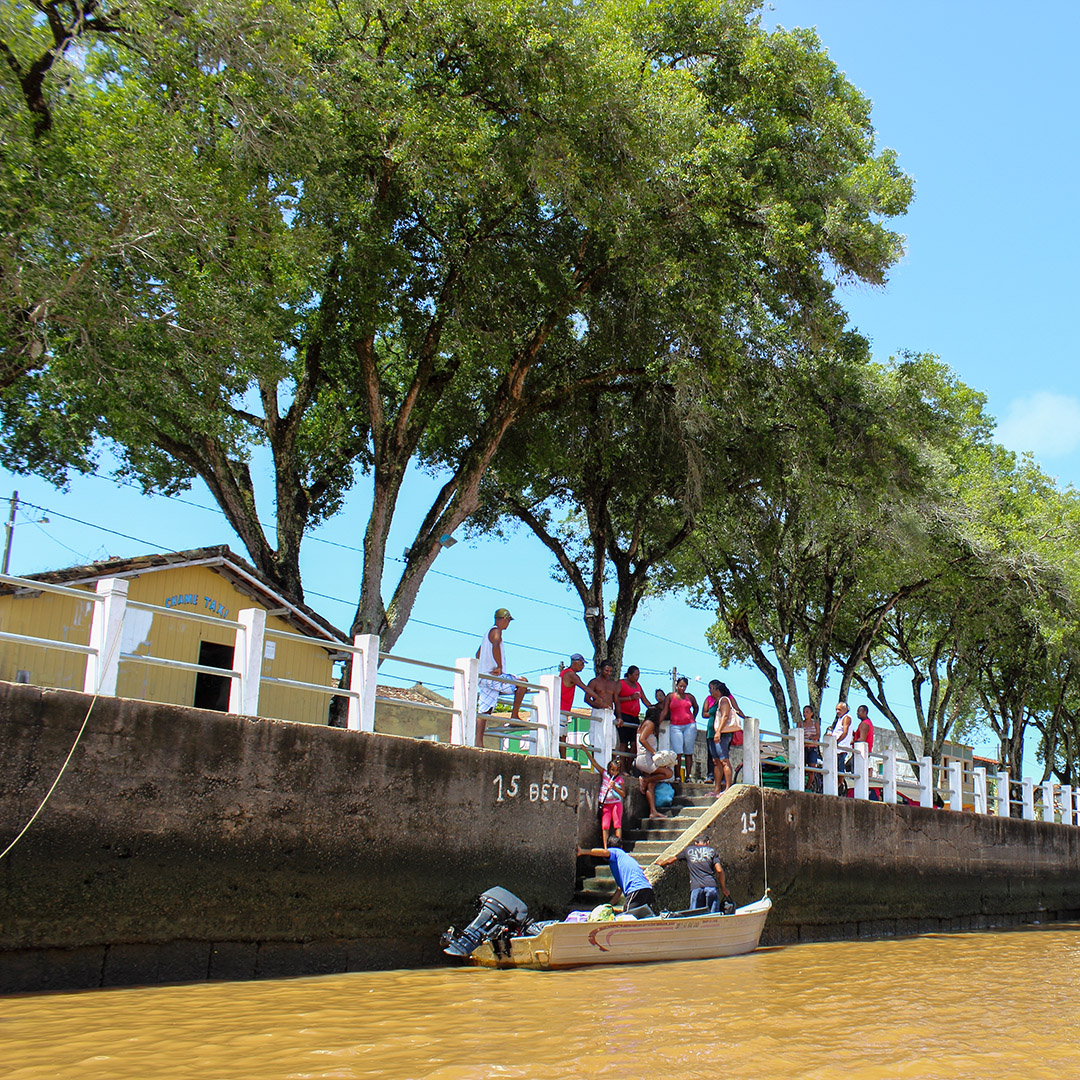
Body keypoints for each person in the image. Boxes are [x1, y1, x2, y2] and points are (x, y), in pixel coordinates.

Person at [475, 607, 527, 748]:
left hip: (483, 677)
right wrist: (498, 666)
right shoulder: (496, 631)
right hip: (494, 677)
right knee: (522, 683)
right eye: (508, 620)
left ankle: (478, 743)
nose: (508, 624)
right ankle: (514, 716)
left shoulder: (486, 634)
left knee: (485, 710)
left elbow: (477, 654)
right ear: (504, 619)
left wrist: (484, 666)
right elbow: (496, 644)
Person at [656, 835, 731, 912]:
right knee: (713, 916)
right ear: (707, 843)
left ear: (695, 843)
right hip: (710, 886)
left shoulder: (688, 851)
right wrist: (723, 888)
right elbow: (719, 870)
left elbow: (671, 860)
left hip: (696, 887)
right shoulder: (712, 851)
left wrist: (662, 863)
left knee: (694, 915)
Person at [577, 841, 656, 913]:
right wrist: (609, 905)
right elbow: (620, 889)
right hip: (647, 890)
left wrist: (583, 851)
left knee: (628, 918)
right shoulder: (625, 860)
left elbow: (605, 852)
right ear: (621, 846)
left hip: (636, 889)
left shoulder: (616, 851)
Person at [634, 699, 674, 818]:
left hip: (644, 759)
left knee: (652, 784)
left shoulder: (644, 724)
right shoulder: (650, 724)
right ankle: (645, 780)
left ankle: (653, 811)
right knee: (668, 773)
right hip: (646, 759)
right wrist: (653, 752)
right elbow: (642, 739)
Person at [584, 748, 626, 849]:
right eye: (612, 770)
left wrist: (615, 787)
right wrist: (586, 751)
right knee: (605, 825)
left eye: (616, 771)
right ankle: (606, 847)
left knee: (617, 824)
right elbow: (594, 763)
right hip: (606, 804)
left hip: (616, 803)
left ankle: (618, 847)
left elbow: (623, 794)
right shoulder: (605, 775)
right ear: (609, 769)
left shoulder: (620, 780)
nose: (614, 773)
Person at [660, 676, 698, 783]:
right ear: (677, 685)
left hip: (689, 725)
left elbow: (696, 707)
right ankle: (677, 776)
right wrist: (658, 723)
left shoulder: (689, 697)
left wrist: (693, 718)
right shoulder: (671, 697)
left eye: (684, 687)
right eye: (680, 686)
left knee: (688, 751)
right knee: (677, 752)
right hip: (675, 726)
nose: (682, 688)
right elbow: (665, 710)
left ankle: (688, 776)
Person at [584, 660, 619, 768]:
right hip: (598, 713)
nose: (608, 673)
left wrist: (619, 717)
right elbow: (587, 699)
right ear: (601, 670)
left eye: (610, 671)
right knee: (596, 740)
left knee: (612, 742)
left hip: (610, 713)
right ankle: (596, 767)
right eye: (606, 670)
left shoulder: (613, 684)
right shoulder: (594, 682)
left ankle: (612, 769)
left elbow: (616, 701)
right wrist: (599, 706)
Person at [616, 665, 652, 765]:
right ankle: (622, 766)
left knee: (634, 743)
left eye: (638, 675)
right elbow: (616, 699)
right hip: (623, 715)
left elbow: (645, 700)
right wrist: (630, 698)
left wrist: (654, 708)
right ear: (630, 675)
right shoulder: (621, 683)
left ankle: (628, 766)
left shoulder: (638, 685)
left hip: (634, 716)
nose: (637, 677)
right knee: (623, 742)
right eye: (636, 675)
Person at [711, 681, 741, 794]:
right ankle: (718, 788)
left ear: (717, 689)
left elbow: (725, 716)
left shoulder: (724, 700)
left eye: (712, 688)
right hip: (716, 734)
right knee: (717, 760)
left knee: (724, 760)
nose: (710, 691)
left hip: (722, 734)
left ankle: (728, 787)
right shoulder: (717, 701)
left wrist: (718, 732)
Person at [558, 654, 589, 759]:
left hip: (562, 709)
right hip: (561, 709)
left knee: (562, 736)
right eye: (582, 663)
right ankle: (563, 759)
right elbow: (584, 688)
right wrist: (599, 699)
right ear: (575, 662)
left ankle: (563, 758)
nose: (583, 666)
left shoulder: (564, 673)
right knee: (561, 737)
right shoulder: (571, 675)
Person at [830, 701, 854, 791]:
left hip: (841, 748)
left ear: (845, 709)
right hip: (837, 749)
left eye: (839, 709)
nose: (837, 711)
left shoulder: (846, 718)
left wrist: (836, 742)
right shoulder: (840, 719)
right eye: (836, 709)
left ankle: (839, 785)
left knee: (840, 768)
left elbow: (845, 732)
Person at [800, 703, 822, 793]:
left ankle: (808, 786)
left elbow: (818, 735)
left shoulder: (815, 724)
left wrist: (811, 739)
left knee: (812, 768)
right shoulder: (800, 724)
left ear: (811, 713)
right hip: (803, 748)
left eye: (807, 712)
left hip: (812, 748)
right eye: (804, 712)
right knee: (802, 767)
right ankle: (801, 784)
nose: (805, 714)